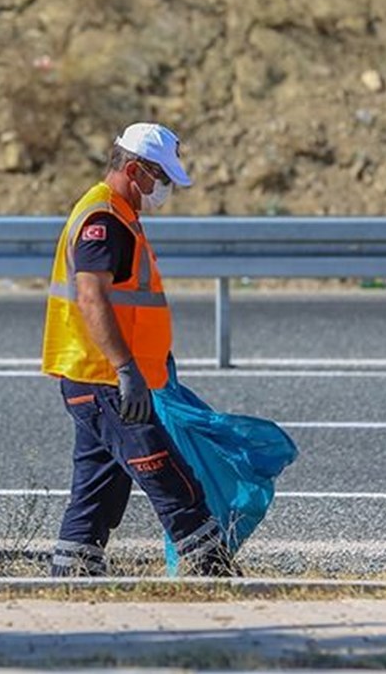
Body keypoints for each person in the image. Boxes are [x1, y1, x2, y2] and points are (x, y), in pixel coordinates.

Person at [41, 122, 240, 577]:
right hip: (107, 380)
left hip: (101, 379)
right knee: (171, 480)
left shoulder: (116, 213)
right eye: (161, 178)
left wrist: (151, 363)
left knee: (97, 490)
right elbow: (92, 297)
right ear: (134, 169)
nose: (165, 188)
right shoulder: (104, 220)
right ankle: (213, 574)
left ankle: (72, 579)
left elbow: (130, 305)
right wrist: (127, 367)